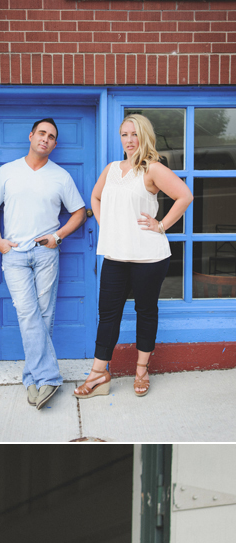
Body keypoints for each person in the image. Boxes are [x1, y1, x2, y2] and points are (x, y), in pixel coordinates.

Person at [74, 114, 193, 400]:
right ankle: (98, 373)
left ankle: (141, 371)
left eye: (134, 134)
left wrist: (161, 225)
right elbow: (95, 197)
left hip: (149, 256)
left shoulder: (152, 168)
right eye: (124, 134)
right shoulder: (113, 168)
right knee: (108, 314)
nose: (129, 140)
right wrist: (107, 224)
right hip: (116, 255)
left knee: (146, 311)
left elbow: (185, 196)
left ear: (144, 136)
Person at [0, 119, 87, 410]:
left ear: (54, 144)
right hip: (14, 254)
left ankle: (32, 377)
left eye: (51, 137)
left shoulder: (61, 177)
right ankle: (50, 378)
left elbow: (79, 212)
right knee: (28, 314)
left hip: (46, 254)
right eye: (41, 133)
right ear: (31, 136)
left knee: (44, 315)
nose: (45, 139)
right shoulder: (8, 172)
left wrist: (58, 236)